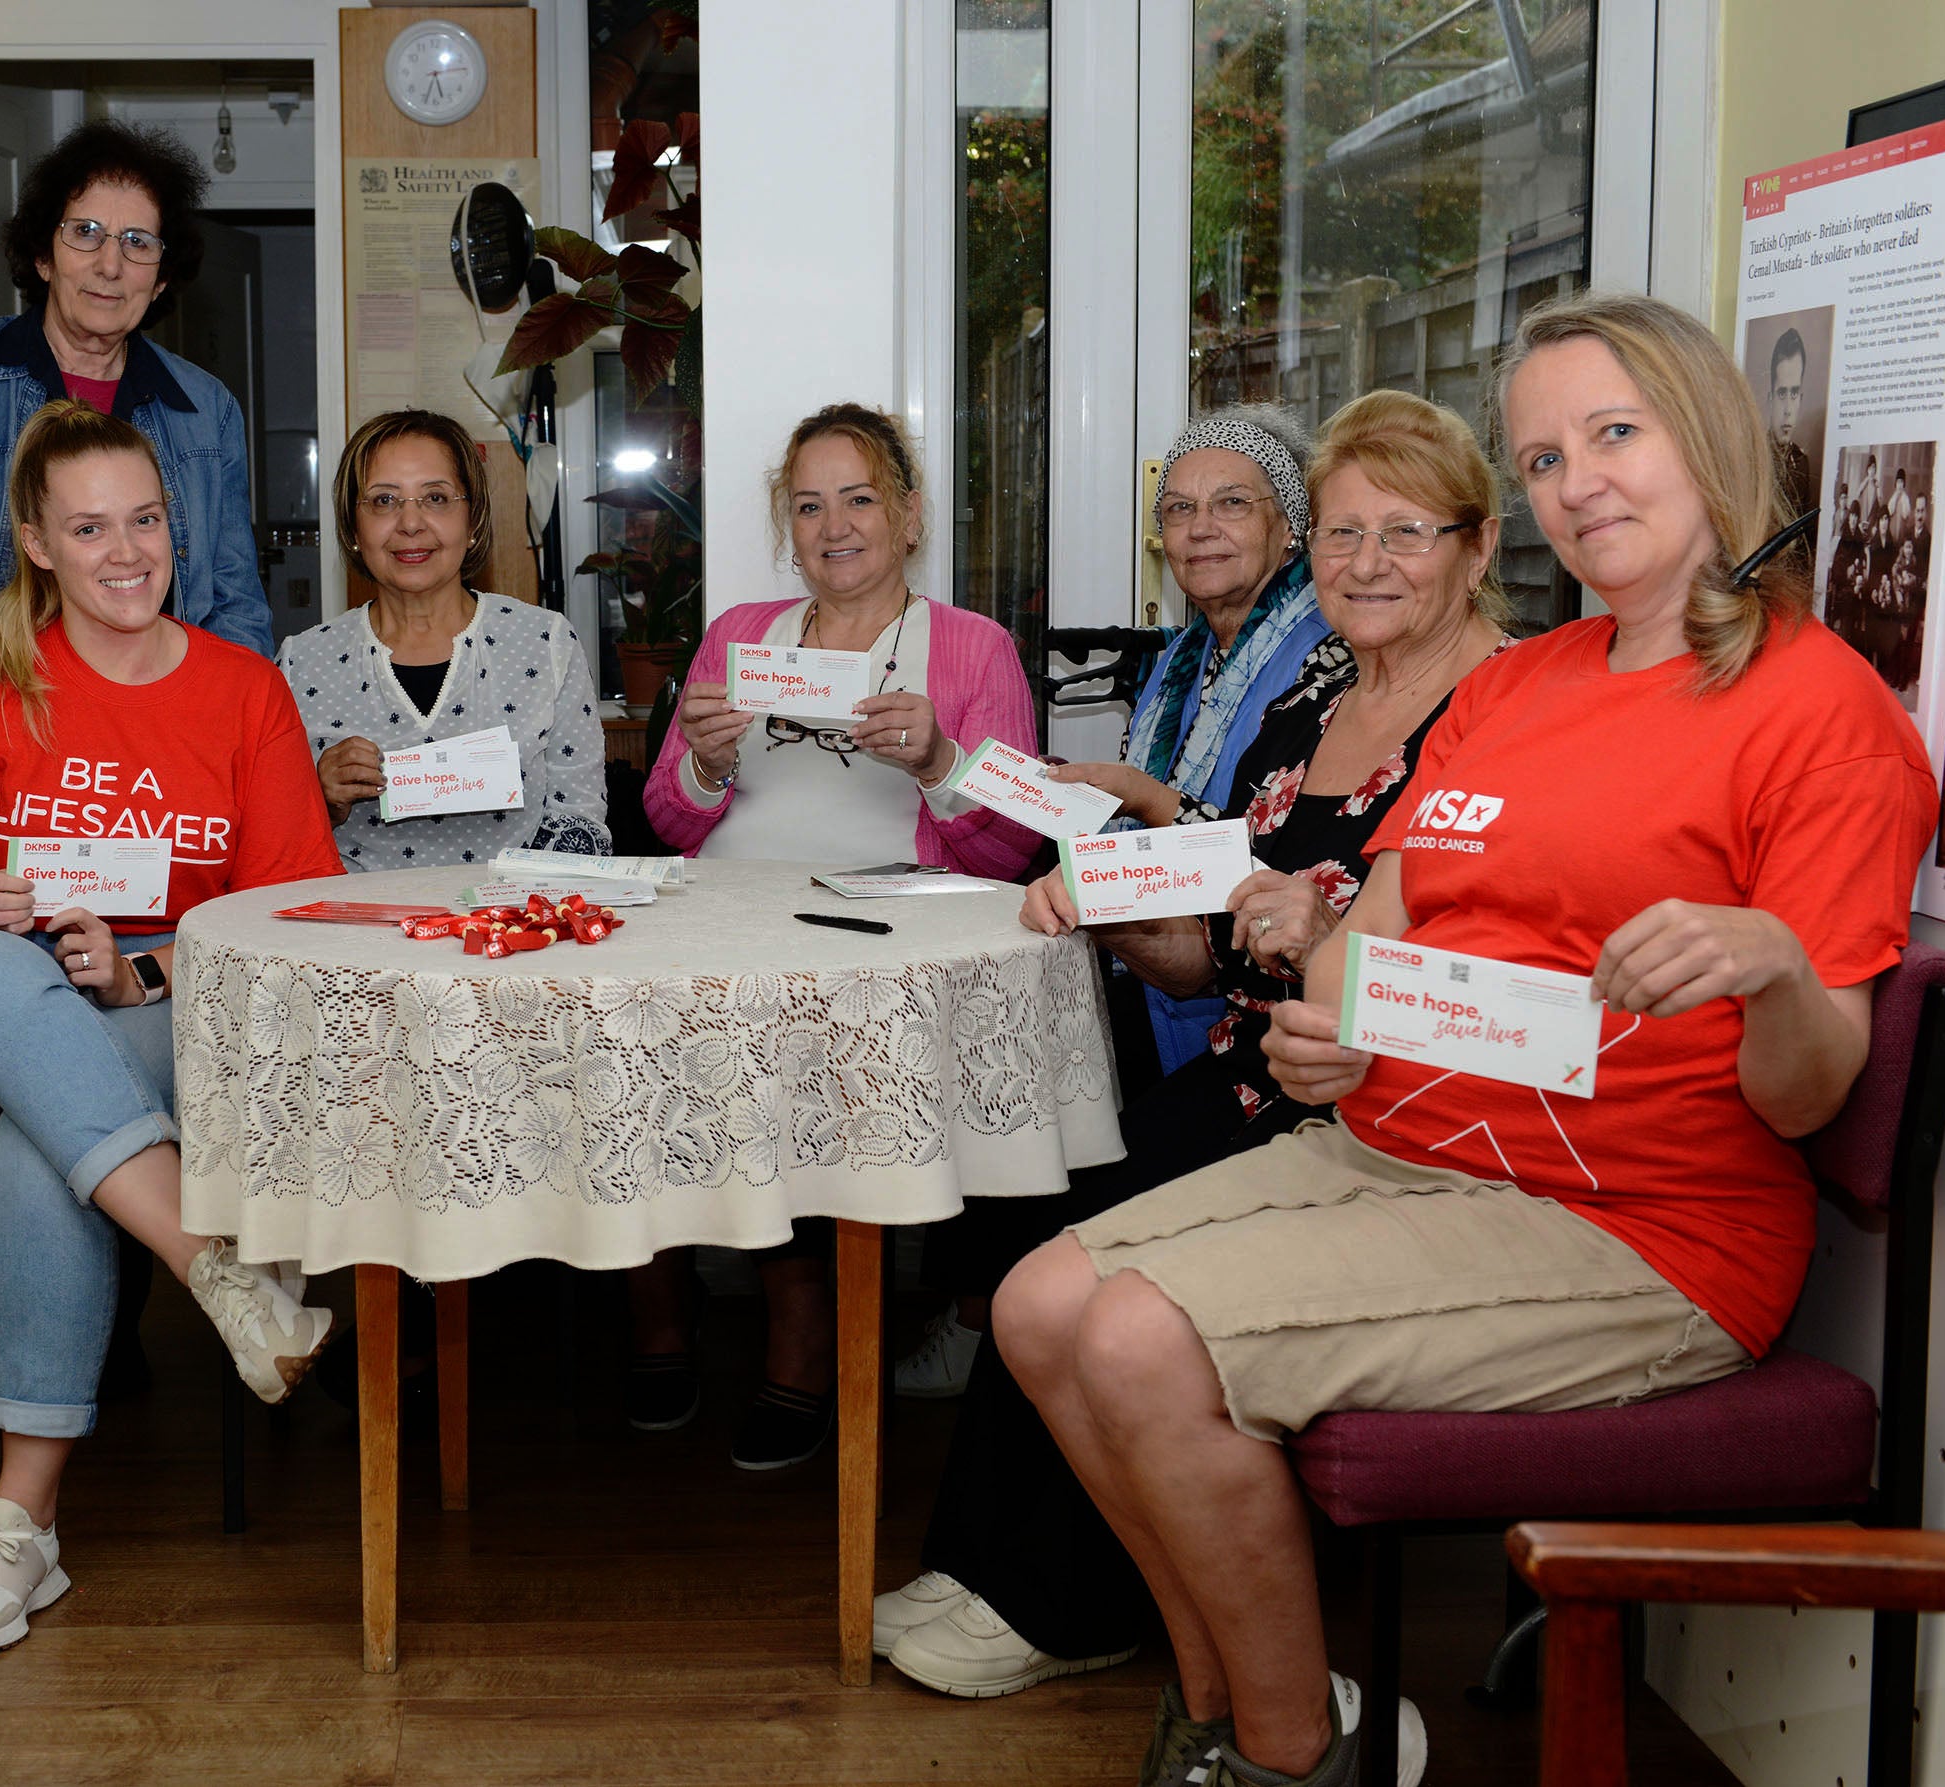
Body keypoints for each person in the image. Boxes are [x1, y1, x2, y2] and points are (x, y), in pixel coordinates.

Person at [994, 292, 1936, 1787]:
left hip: (1643, 1225)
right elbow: (1394, 892)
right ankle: (1218, 1708)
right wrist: (1335, 1030)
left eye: (1614, 435)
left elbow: (1808, 1090)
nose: (1580, 483)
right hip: (1409, 1143)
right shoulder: (1516, 684)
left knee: (1135, 1330)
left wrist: (1771, 968)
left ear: (1706, 436)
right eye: (1546, 455)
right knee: (1039, 1301)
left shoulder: (1818, 711)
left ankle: (1291, 1753)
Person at [872, 390, 1511, 1705]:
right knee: (1044, 1222)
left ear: (1476, 544)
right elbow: (1205, 948)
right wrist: (1107, 896)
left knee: (1097, 1242)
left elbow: (1507, 958)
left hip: (1373, 1099)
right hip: (1244, 1064)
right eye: (1344, 533)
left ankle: (1062, 1601)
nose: (1366, 562)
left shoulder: (1506, 707)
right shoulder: (1320, 694)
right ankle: (995, 1564)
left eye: (1404, 532)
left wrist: (1316, 935)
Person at [0, 400, 343, 1653]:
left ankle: (19, 1530)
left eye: (145, 519)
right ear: (37, 542)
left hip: (142, 1022)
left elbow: (287, 914)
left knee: (50, 1147)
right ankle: (212, 1261)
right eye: (91, 527)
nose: (126, 549)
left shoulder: (246, 690)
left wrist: (143, 966)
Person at [639, 400, 1044, 1469]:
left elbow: (1010, 853)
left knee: (804, 1070)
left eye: (859, 498)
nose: (835, 526)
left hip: (884, 936)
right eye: (809, 505)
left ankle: (801, 1341)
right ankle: (660, 1321)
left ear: (909, 516)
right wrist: (707, 764)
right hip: (729, 920)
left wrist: (938, 762)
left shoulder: (971, 647)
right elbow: (665, 817)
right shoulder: (737, 636)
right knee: (637, 1041)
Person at [898, 405, 1331, 1399]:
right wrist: (1068, 798)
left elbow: (1266, 849)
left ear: (1289, 526)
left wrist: (1127, 800)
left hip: (1248, 988)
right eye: (1177, 510)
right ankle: (986, 1317)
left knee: (1038, 1061)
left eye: (1232, 504)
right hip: (1155, 948)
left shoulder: (1322, 654)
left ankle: (1010, 1331)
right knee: (1001, 1027)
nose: (1199, 528)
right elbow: (1148, 826)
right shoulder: (1182, 657)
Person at [0, 120, 272, 725]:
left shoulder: (207, 410)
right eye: (86, 233)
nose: (110, 264)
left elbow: (237, 608)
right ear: (43, 255)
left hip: (156, 742)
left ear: (158, 280)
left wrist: (204, 733)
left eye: (137, 241)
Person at [278, 409, 607, 869]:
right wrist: (321, 800)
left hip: (513, 926)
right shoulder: (301, 663)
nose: (410, 523)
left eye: (436, 497)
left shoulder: (544, 643)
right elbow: (268, 845)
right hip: (357, 932)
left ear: (472, 521)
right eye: (383, 501)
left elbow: (580, 820)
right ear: (354, 530)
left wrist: (509, 921)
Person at [1765, 326, 1813, 520]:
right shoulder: (1754, 459)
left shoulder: (1801, 463)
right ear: (1770, 399)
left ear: (1801, 399)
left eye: (1794, 394)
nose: (1787, 409)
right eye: (1782, 393)